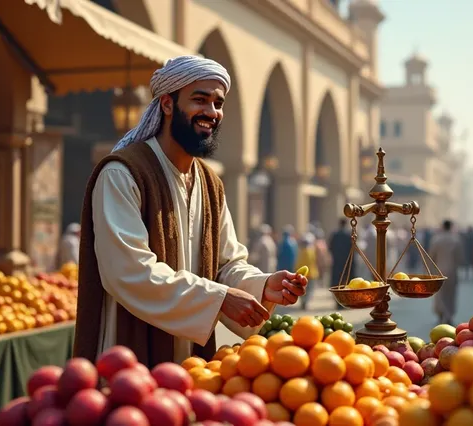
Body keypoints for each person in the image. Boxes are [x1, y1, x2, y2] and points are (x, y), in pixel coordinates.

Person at [73, 56, 308, 367]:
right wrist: (219, 298)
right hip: (129, 360)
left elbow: (227, 264)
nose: (211, 112)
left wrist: (264, 285)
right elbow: (129, 272)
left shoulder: (210, 183)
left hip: (194, 367)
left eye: (218, 103)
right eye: (200, 100)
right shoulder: (123, 174)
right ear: (168, 104)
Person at [429, 220, 465, 325]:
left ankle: (441, 313)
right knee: (451, 294)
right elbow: (460, 258)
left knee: (440, 294)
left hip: (439, 270)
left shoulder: (436, 240)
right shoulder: (456, 240)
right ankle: (449, 315)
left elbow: (431, 256)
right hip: (452, 271)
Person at [329, 219, 354, 309]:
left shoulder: (335, 235)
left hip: (337, 263)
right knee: (346, 282)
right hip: (347, 263)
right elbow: (353, 250)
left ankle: (338, 302)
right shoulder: (349, 235)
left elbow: (330, 248)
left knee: (337, 283)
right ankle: (346, 301)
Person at [296, 233, 319, 310]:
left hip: (302, 275)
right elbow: (314, 262)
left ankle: (303, 302)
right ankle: (305, 302)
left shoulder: (300, 252)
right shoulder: (311, 251)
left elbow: (297, 263)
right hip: (311, 274)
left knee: (302, 289)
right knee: (309, 290)